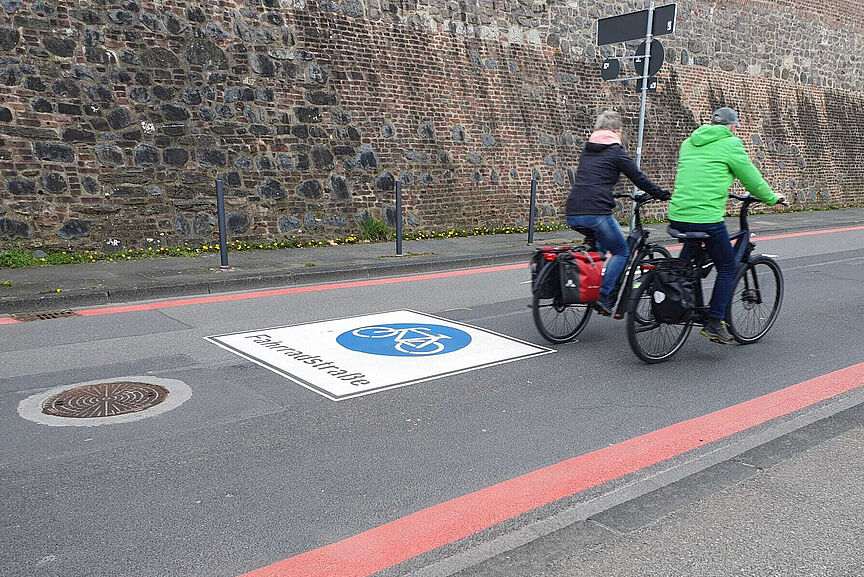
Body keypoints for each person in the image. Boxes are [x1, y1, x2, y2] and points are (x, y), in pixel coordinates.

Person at [669, 107, 786, 344]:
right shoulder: (731, 144)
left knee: (685, 266)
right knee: (727, 268)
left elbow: (696, 175)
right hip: (706, 217)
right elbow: (751, 178)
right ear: (732, 127)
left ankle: (673, 296)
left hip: (678, 214)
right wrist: (772, 198)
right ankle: (714, 322)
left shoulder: (688, 143)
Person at [565, 110, 670, 316]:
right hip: (596, 213)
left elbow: (593, 179)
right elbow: (637, 177)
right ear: (615, 131)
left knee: (601, 251)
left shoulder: (587, 150)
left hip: (573, 211)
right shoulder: (615, 152)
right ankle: (604, 296)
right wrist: (660, 193)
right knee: (622, 252)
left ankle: (587, 285)